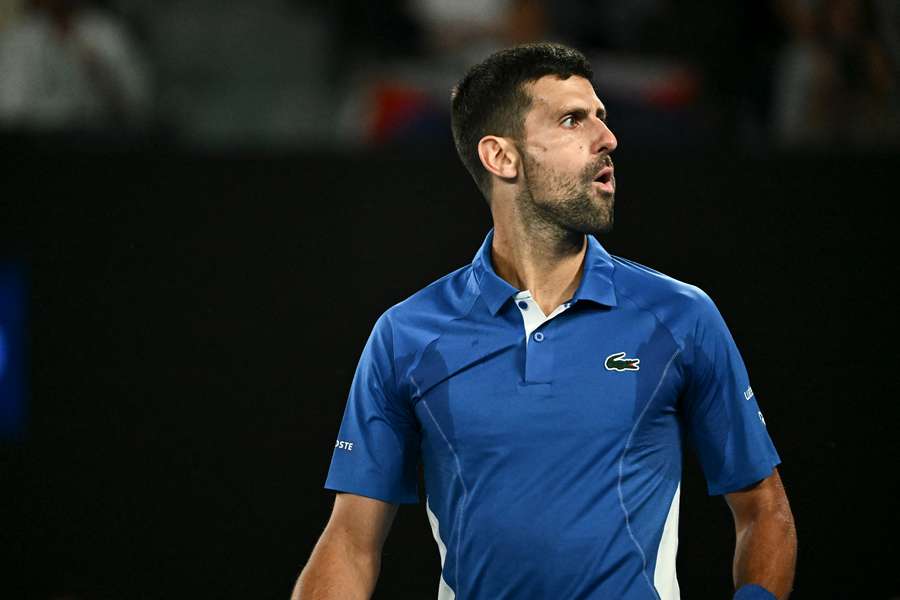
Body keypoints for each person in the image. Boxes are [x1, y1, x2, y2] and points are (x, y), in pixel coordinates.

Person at [292, 43, 797, 600]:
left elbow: (763, 509)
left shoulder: (680, 316)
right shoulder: (405, 335)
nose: (608, 139)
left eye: (601, 117)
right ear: (501, 157)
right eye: (572, 120)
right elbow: (350, 543)